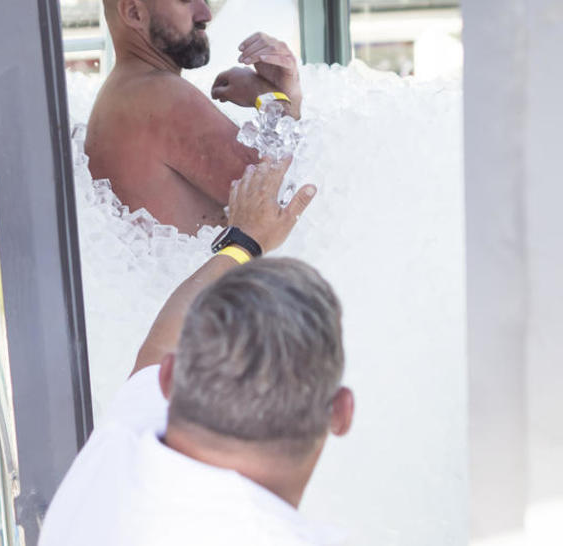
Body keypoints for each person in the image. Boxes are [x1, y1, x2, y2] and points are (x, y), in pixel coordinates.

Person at [40, 160, 353, 545]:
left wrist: (245, 243)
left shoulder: (116, 456)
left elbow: (160, 343)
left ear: (170, 378)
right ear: (340, 413)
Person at [85, 0, 303, 235]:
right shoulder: (157, 96)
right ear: (134, 13)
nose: (206, 14)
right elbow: (280, 206)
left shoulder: (122, 91)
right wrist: (276, 96)